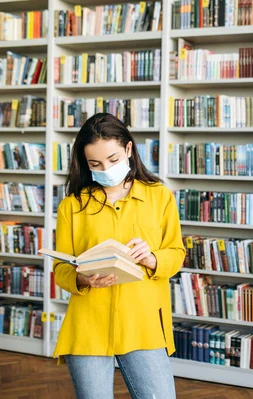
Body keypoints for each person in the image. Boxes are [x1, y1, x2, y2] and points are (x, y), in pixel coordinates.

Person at [53, 113, 186, 399]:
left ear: (128, 150)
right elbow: (60, 270)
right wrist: (82, 278)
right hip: (88, 325)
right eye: (95, 164)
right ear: (85, 164)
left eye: (113, 159)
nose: (106, 168)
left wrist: (152, 258)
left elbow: (176, 253)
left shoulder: (159, 196)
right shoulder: (71, 206)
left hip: (144, 324)